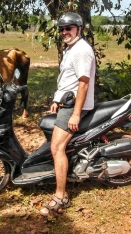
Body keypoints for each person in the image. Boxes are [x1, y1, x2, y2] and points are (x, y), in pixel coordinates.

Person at [40, 12, 96, 216]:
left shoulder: (81, 50)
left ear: (79, 29)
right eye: (62, 29)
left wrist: (75, 114)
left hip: (74, 106)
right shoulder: (71, 49)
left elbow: (83, 83)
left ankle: (60, 196)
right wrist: (57, 99)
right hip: (67, 103)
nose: (64, 32)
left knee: (56, 147)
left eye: (69, 28)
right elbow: (68, 80)